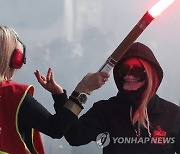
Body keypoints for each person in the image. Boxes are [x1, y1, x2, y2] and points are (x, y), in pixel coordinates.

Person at [0, 25, 110, 154]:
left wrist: (59, 96)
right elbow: (56, 128)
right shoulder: (13, 95)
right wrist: (83, 89)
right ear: (15, 59)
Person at [62, 42, 180, 154]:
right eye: (124, 70)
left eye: (137, 70)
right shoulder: (105, 110)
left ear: (151, 74)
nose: (129, 75)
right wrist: (75, 92)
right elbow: (75, 137)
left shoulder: (173, 115)